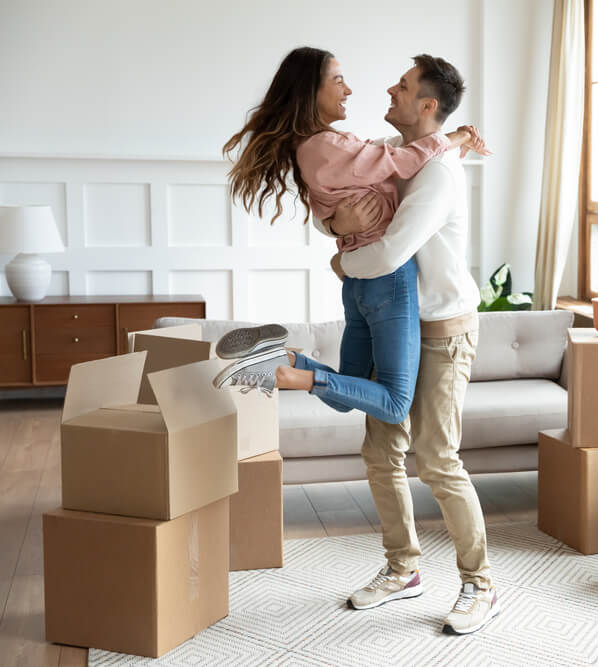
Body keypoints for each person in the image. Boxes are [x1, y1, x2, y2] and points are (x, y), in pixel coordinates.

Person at [215, 47, 487, 430]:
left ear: (427, 105)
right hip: (387, 283)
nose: (351, 90)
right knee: (394, 404)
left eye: (403, 86)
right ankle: (291, 375)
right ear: (311, 91)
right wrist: (456, 137)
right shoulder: (336, 146)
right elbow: (402, 167)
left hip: (360, 288)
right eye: (338, 80)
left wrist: (339, 233)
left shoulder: (319, 148)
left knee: (350, 390)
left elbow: (357, 187)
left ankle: (283, 359)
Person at [327, 54, 498, 636]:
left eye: (402, 87)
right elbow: (342, 206)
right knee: (380, 450)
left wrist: (341, 258)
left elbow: (388, 253)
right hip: (391, 325)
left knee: (436, 456)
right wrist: (337, 229)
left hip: (443, 330)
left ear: (427, 103)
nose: (389, 91)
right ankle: (403, 569)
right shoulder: (390, 152)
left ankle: (481, 584)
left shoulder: (439, 175)